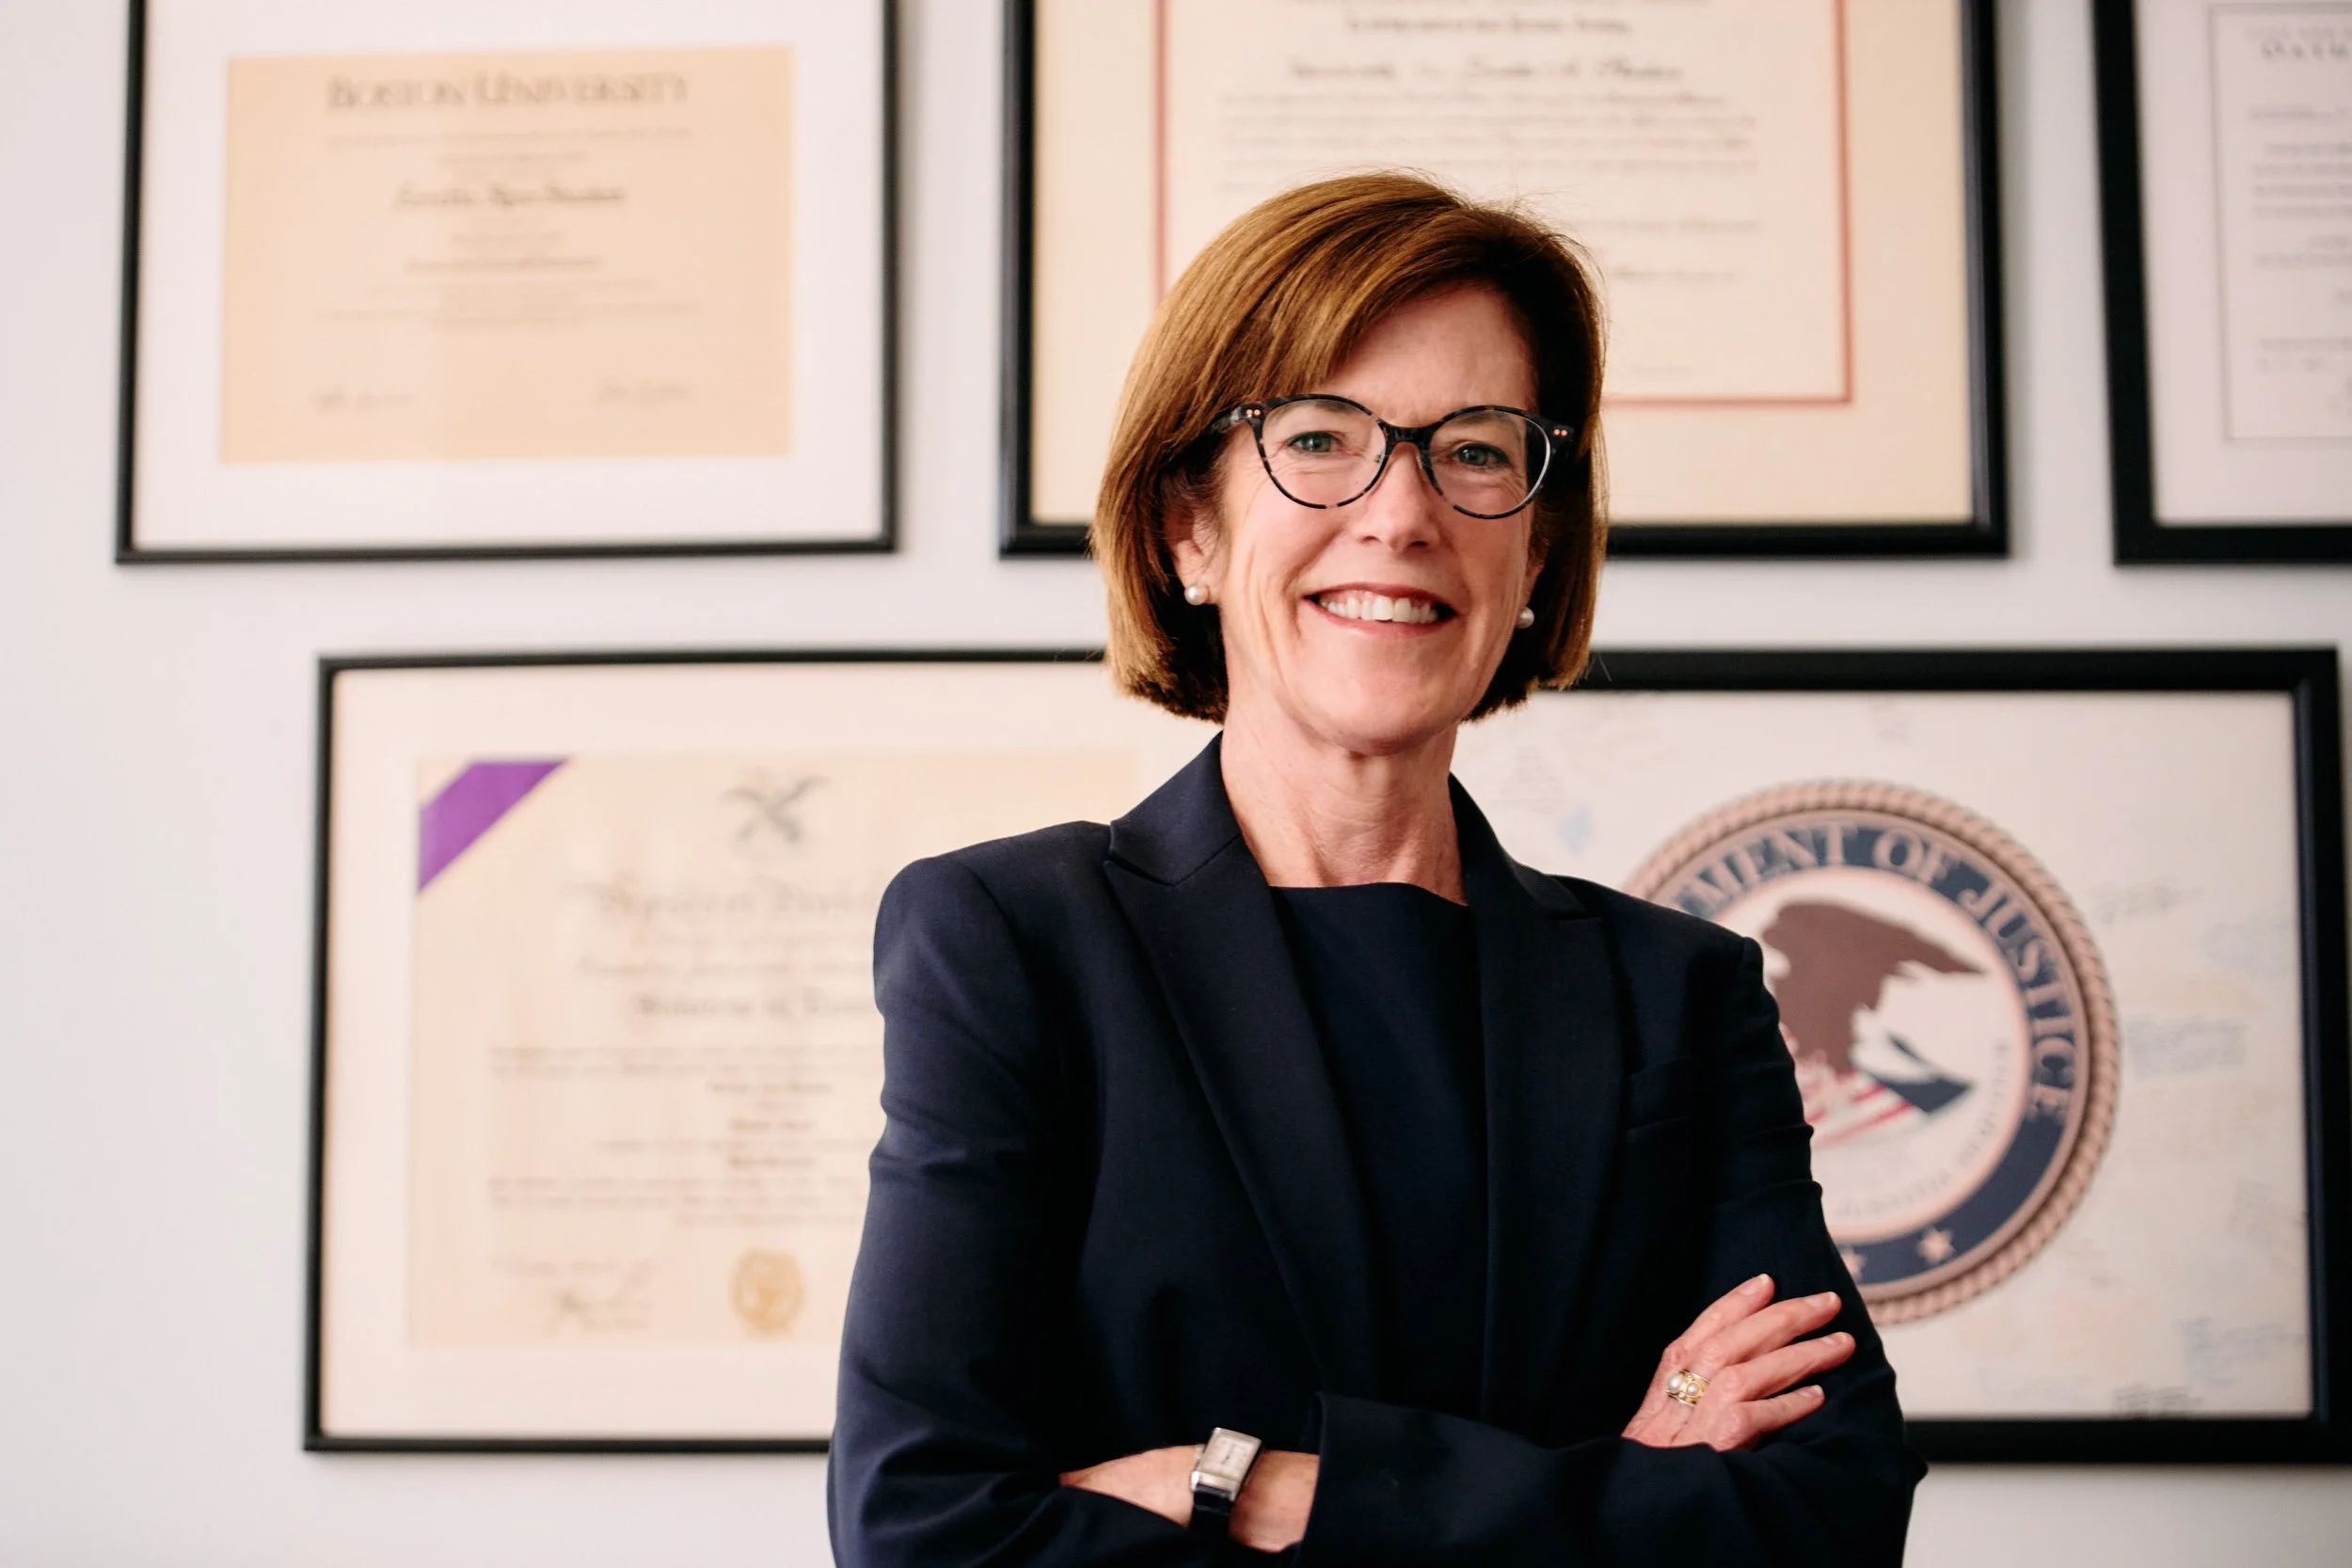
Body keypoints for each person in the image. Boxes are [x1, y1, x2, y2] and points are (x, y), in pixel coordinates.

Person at [829, 172, 1923, 1565]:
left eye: (1475, 450)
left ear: (1536, 546)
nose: (1402, 513)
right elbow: (921, 1533)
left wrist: (1256, 1489)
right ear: (1188, 530)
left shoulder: (1680, 996)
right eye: (1318, 438)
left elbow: (1832, 1521)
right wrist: (1614, 1487)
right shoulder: (1012, 944)